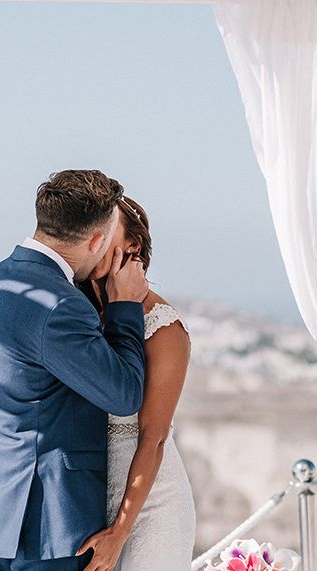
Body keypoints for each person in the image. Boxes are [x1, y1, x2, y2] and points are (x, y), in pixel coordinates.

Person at [0, 169, 149, 571]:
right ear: (97, 240)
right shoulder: (61, 304)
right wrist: (124, 308)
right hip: (48, 519)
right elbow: (125, 395)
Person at [75, 195, 196, 571]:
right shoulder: (75, 314)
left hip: (150, 509)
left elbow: (153, 438)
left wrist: (120, 532)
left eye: (105, 233)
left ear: (133, 245)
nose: (93, 242)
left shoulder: (164, 328)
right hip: (87, 500)